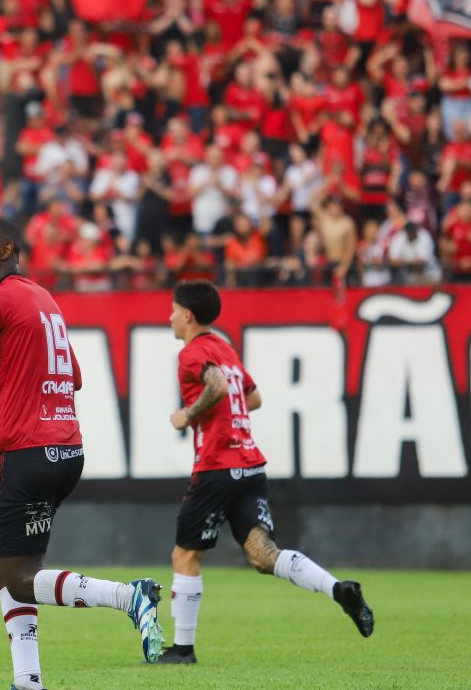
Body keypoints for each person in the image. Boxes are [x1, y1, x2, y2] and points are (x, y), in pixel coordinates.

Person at [0, 220, 165, 690]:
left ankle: (128, 597)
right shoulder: (40, 298)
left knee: (19, 575)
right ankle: (28, 684)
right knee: (0, 561)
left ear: (8, 249)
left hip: (26, 451)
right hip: (64, 450)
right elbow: (70, 374)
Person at [159, 281, 374, 665]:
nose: (170, 317)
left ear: (188, 315)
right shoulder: (224, 347)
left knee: (184, 555)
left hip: (217, 466)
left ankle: (182, 649)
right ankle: (338, 589)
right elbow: (252, 396)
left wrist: (187, 415)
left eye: (174, 310)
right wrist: (224, 410)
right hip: (250, 465)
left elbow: (220, 386)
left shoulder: (192, 353)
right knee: (263, 555)